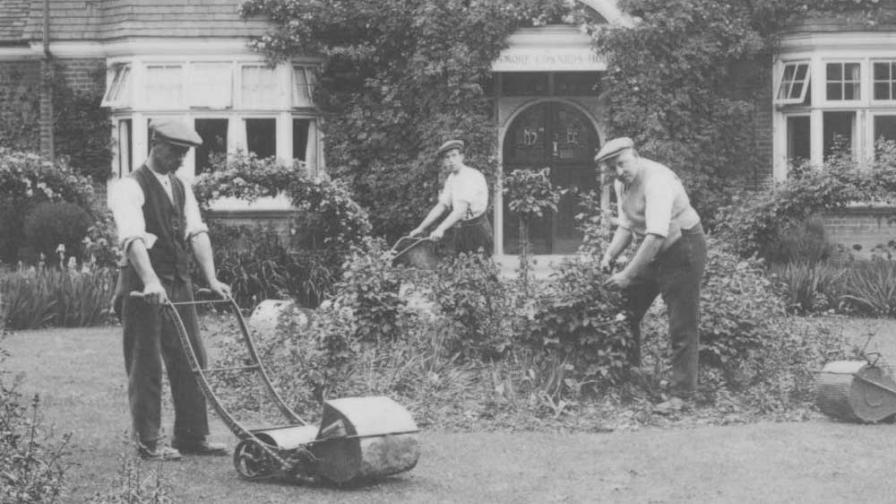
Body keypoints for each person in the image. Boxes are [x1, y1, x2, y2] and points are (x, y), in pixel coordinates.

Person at [110, 119, 231, 460]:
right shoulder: (129, 187)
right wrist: (150, 281)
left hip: (179, 283)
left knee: (193, 359)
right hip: (143, 286)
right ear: (156, 146)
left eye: (185, 154)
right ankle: (149, 442)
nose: (181, 160)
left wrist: (210, 279)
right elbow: (132, 238)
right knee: (145, 363)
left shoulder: (181, 186)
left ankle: (192, 437)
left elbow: (197, 232)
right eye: (177, 153)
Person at [596, 137, 707, 407]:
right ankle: (632, 372)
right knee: (626, 308)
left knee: (682, 323)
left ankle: (683, 395)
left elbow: (656, 235)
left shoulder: (656, 181)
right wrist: (610, 254)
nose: (619, 172)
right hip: (655, 247)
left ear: (635, 156)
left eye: (622, 164)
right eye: (612, 168)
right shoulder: (622, 183)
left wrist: (627, 274)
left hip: (683, 248)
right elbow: (627, 224)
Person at [409, 139, 493, 256]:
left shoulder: (471, 176)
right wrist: (421, 228)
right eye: (447, 157)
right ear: (443, 161)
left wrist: (440, 229)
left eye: (454, 155)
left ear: (462, 156)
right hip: (462, 229)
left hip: (479, 229)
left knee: (481, 270)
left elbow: (460, 210)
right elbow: (442, 205)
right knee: (459, 269)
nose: (451, 160)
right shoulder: (451, 178)